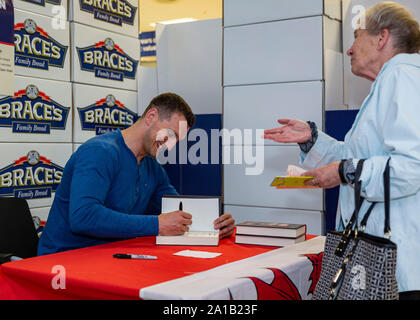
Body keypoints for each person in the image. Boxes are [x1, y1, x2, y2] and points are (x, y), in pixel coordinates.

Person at [264, 2, 420, 299]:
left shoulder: (403, 78)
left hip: (395, 272)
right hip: (381, 263)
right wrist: (313, 140)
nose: (349, 49)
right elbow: (358, 159)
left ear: (381, 38)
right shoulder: (391, 83)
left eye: (356, 36)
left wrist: (342, 171)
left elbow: (412, 166)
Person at [38, 93, 235, 255]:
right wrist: (157, 224)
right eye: (171, 134)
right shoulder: (100, 152)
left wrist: (214, 223)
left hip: (109, 256)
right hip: (64, 260)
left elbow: (177, 208)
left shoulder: (152, 167)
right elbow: (83, 216)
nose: (171, 144)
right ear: (151, 116)